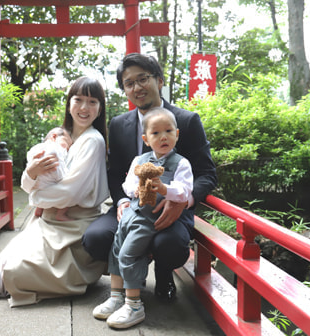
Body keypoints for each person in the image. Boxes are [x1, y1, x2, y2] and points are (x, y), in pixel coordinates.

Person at [82, 53, 217, 302]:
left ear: (159, 80)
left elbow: (207, 174)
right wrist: (122, 201)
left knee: (171, 245)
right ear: (125, 90)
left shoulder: (186, 121)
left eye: (142, 79)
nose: (137, 87)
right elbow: (115, 173)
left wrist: (182, 201)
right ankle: (133, 276)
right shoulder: (119, 124)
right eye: (129, 83)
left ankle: (164, 273)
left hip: (170, 205)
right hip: (133, 205)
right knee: (95, 238)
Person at [0, 76, 109, 307]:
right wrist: (30, 173)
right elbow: (31, 178)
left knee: (13, 272)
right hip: (48, 221)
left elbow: (70, 194)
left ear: (100, 108)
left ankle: (70, 274)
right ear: (69, 103)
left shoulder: (93, 141)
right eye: (78, 99)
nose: (84, 107)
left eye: (92, 102)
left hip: (74, 225)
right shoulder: (60, 136)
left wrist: (35, 198)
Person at [93, 107, 194, 329]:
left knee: (129, 254)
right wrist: (134, 191)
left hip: (150, 219)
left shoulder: (181, 163)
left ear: (177, 134)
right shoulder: (140, 159)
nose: (163, 137)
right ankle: (116, 296)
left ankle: (134, 305)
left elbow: (185, 191)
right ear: (146, 139)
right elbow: (127, 182)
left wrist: (165, 189)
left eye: (168, 131)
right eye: (156, 133)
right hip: (131, 214)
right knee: (116, 250)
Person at [25, 127, 73, 221]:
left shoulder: (36, 148)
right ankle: (61, 214)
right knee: (69, 193)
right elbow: (59, 169)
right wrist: (66, 177)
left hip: (37, 187)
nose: (67, 148)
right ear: (54, 137)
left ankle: (38, 210)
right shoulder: (56, 150)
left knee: (42, 187)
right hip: (50, 185)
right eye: (66, 143)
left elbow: (29, 161)